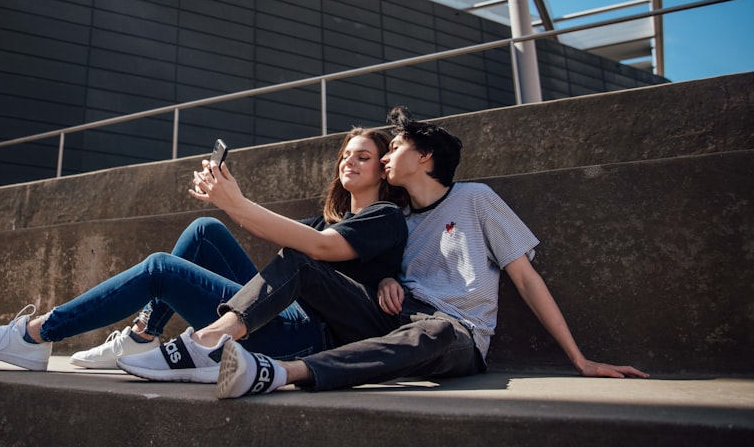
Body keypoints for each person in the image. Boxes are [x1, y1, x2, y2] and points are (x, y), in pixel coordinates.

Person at [121, 105, 648, 397]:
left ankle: (276, 373)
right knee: (305, 259)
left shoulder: (475, 200)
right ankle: (210, 340)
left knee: (436, 330)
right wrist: (382, 283)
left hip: (455, 335)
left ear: (424, 157)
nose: (388, 153)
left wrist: (579, 359)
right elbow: (362, 263)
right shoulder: (398, 219)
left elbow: (526, 278)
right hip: (386, 317)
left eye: (395, 148)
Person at [0, 127, 408, 375]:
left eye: (363, 156)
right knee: (205, 228)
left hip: (309, 337)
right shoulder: (324, 220)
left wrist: (240, 202)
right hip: (281, 312)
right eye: (346, 154)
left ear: (382, 170)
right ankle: (142, 336)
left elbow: (320, 249)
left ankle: (36, 335)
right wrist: (227, 202)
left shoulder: (383, 217)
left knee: (160, 269)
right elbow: (284, 234)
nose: (349, 160)